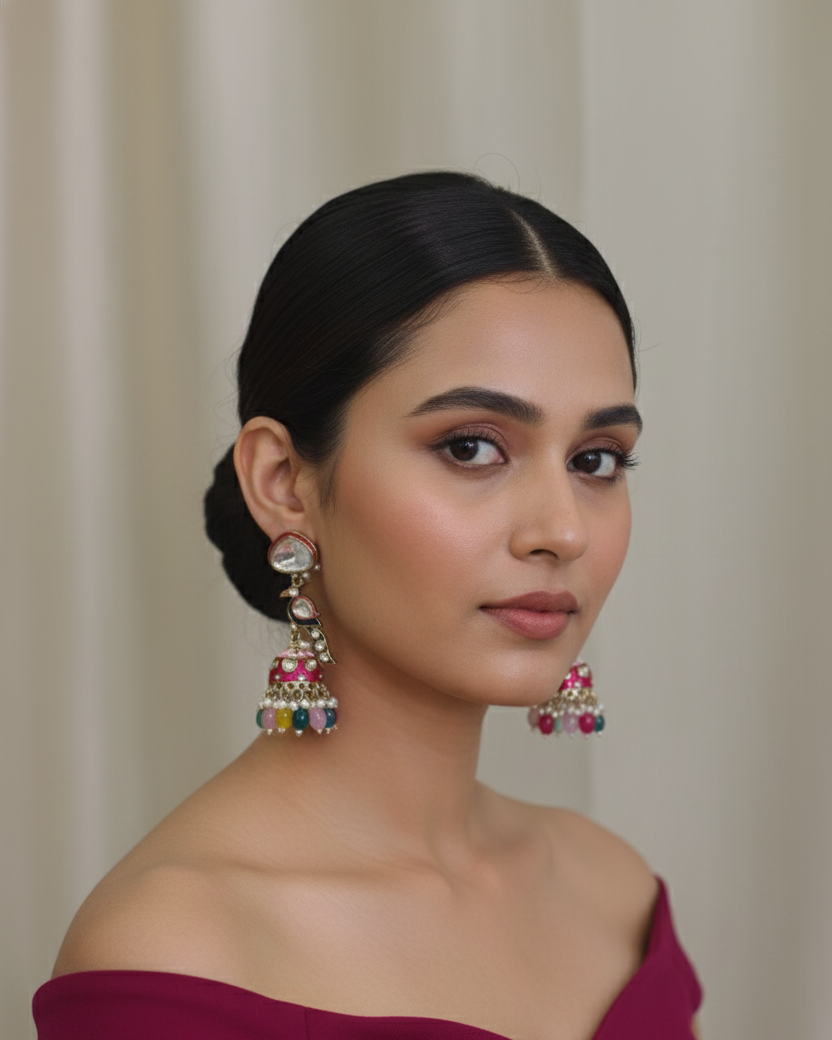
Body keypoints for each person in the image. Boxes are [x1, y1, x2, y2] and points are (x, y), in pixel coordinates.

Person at [33, 172, 701, 1039]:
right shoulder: (172, 956)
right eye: (472, 447)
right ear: (283, 482)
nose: (562, 531)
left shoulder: (615, 892)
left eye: (598, 459)